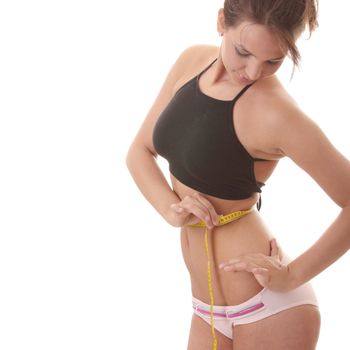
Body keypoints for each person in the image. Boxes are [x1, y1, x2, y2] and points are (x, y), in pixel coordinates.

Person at [126, 0, 350, 349]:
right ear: (221, 22)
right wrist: (171, 208)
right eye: (243, 52)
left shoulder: (278, 114)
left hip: (267, 309)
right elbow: (139, 152)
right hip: (206, 305)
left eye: (273, 61)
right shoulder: (191, 62)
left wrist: (293, 275)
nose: (253, 71)